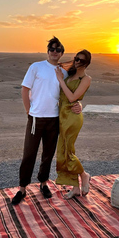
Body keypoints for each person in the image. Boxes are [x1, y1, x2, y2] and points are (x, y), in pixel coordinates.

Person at [12, 37, 82, 205]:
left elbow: (70, 94)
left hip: (54, 119)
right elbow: (25, 89)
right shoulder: (36, 67)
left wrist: (79, 104)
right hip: (36, 118)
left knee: (48, 154)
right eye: (52, 48)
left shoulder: (64, 73)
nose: (55, 51)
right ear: (48, 50)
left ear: (62, 53)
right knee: (29, 154)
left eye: (58, 49)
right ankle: (22, 188)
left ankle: (43, 183)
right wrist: (29, 110)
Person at [54, 49, 92, 199]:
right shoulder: (70, 74)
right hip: (62, 115)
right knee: (63, 151)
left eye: (81, 60)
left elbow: (72, 98)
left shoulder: (86, 78)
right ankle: (75, 188)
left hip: (72, 117)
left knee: (68, 152)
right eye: (76, 59)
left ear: (87, 63)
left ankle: (84, 175)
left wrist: (60, 81)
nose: (77, 62)